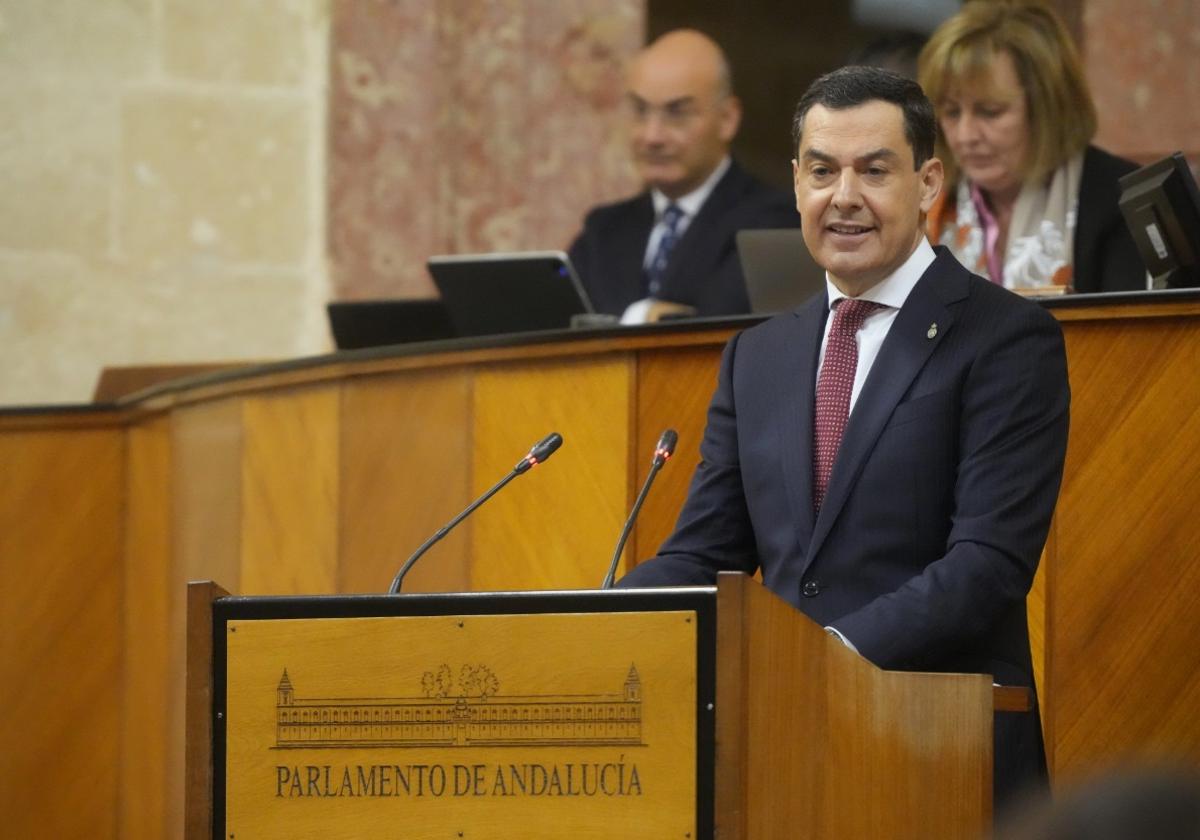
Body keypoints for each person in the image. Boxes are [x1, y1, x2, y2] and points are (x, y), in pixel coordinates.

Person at [617, 65, 1070, 811]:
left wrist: (820, 661)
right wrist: (594, 618)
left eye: (874, 170)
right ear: (796, 183)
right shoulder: (756, 356)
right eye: (823, 171)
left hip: (940, 752)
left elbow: (986, 566)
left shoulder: (1007, 339)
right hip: (779, 755)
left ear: (927, 183)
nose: (844, 197)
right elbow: (704, 553)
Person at [568, 29, 798, 322]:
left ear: (727, 119)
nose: (652, 136)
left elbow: (723, 330)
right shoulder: (604, 232)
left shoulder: (775, 223)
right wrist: (646, 315)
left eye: (677, 113)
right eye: (640, 111)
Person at [917, 0, 1144, 294]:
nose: (965, 135)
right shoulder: (924, 199)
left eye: (990, 111)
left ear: (1047, 107)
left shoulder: (1123, 200)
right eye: (951, 112)